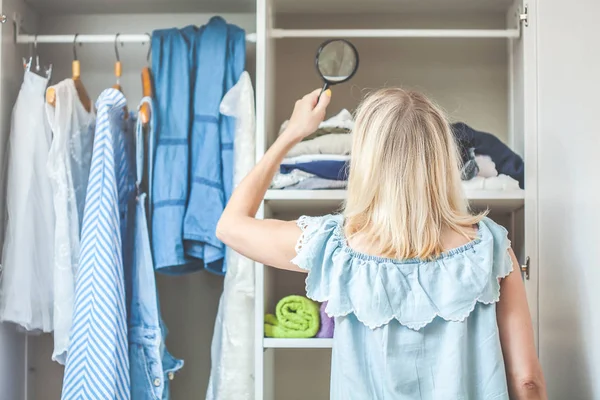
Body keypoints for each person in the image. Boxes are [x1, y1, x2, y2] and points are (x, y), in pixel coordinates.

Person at [217, 87, 547, 399]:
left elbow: (230, 226)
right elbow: (527, 381)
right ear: (442, 157)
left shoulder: (334, 247)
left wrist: (292, 134)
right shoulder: (490, 246)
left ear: (367, 162)